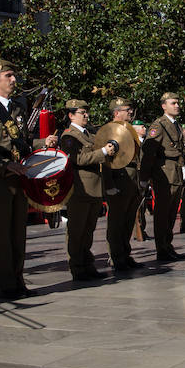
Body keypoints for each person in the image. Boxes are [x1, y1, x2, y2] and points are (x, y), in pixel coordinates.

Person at [0, 60, 57, 299]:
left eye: (14, 75)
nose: (13, 80)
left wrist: (44, 143)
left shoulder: (17, 110)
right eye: (8, 76)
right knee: (2, 235)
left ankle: (18, 280)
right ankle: (6, 285)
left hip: (19, 179)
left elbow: (22, 144)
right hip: (0, 179)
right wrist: (5, 164)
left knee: (17, 233)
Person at [61, 99, 115, 280]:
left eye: (86, 112)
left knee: (89, 229)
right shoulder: (69, 136)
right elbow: (79, 159)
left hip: (94, 188)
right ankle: (77, 267)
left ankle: (87, 263)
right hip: (80, 189)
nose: (86, 115)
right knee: (77, 230)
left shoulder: (89, 135)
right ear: (71, 115)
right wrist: (104, 152)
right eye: (81, 112)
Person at [141, 92, 185, 262]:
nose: (177, 105)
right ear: (163, 106)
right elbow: (148, 152)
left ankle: (168, 245)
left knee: (171, 212)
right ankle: (162, 248)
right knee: (162, 213)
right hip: (164, 172)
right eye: (173, 103)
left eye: (177, 102)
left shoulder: (175, 124)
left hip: (175, 170)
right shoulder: (159, 125)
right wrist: (145, 177)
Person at [103, 97, 143, 273]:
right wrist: (109, 184)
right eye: (127, 109)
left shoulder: (129, 130)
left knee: (128, 220)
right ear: (116, 112)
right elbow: (106, 160)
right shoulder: (110, 131)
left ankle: (125, 254)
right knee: (116, 221)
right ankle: (116, 256)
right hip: (119, 177)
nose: (130, 112)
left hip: (132, 178)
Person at [131, 119, 151, 240]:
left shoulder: (145, 142)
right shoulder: (134, 142)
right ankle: (137, 231)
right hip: (138, 175)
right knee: (137, 205)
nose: (144, 129)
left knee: (142, 205)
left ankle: (142, 229)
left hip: (145, 175)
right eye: (142, 127)